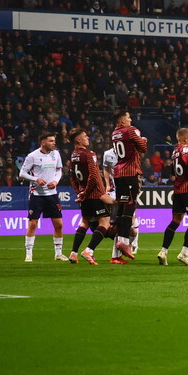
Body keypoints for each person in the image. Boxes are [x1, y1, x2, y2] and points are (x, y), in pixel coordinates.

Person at [157, 128, 188, 267]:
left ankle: (163, 251)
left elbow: (173, 171)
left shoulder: (174, 151)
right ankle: (184, 253)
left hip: (178, 191)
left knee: (175, 221)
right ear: (184, 138)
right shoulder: (185, 148)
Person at [67, 128, 114, 265]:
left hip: (85, 195)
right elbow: (94, 176)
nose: (88, 138)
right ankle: (89, 250)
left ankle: (73, 253)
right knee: (104, 222)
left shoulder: (73, 155)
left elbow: (72, 177)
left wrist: (80, 192)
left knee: (85, 222)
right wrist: (86, 193)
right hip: (94, 194)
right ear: (78, 140)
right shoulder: (89, 154)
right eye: (85, 136)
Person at [18, 132, 65, 262]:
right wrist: (35, 179)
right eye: (51, 141)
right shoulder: (32, 156)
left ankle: (58, 254)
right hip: (37, 194)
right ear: (43, 142)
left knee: (59, 224)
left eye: (54, 140)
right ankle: (28, 254)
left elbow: (59, 170)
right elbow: (22, 173)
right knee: (33, 223)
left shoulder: (56, 154)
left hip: (52, 194)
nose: (54, 143)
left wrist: (55, 181)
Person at [111, 110, 147, 263]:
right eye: (128, 117)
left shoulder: (114, 133)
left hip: (118, 173)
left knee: (121, 210)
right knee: (130, 208)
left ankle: (115, 257)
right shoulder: (130, 131)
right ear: (122, 120)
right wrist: (143, 139)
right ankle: (124, 242)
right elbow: (143, 148)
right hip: (130, 172)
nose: (131, 119)